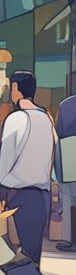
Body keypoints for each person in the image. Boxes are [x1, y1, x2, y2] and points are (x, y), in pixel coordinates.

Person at [0, 70, 64, 275]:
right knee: (31, 254)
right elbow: (53, 155)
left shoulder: (15, 119)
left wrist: (1, 193)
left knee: (11, 254)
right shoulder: (46, 119)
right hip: (42, 194)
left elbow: (6, 160)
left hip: (19, 194)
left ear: (17, 88)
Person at [57, 95, 76, 252]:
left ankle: (68, 239)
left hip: (67, 153)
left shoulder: (65, 105)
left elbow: (59, 132)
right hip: (67, 152)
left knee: (68, 200)